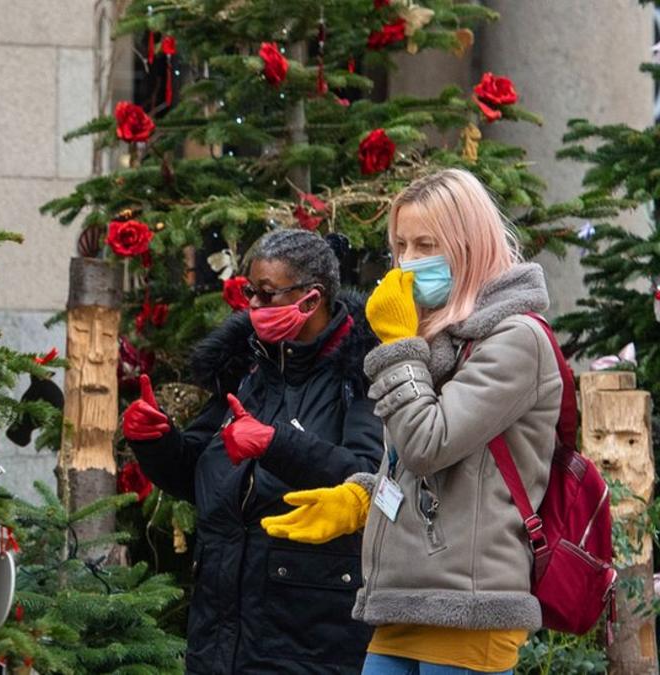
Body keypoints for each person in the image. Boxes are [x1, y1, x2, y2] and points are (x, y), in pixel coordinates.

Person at [262, 169, 561, 675]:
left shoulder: (516, 339)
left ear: (470, 246)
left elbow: (428, 443)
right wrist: (363, 496)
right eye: (401, 245)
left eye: (428, 244)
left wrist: (398, 348)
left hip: (469, 607)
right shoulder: (439, 340)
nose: (409, 262)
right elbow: (415, 461)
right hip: (402, 600)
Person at [123, 229, 383, 673]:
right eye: (250, 293)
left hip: (310, 639)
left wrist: (275, 443)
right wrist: (156, 441)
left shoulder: (363, 371)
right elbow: (199, 475)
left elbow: (367, 479)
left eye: (266, 294)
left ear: (310, 298)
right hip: (219, 635)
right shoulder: (246, 365)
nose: (253, 308)